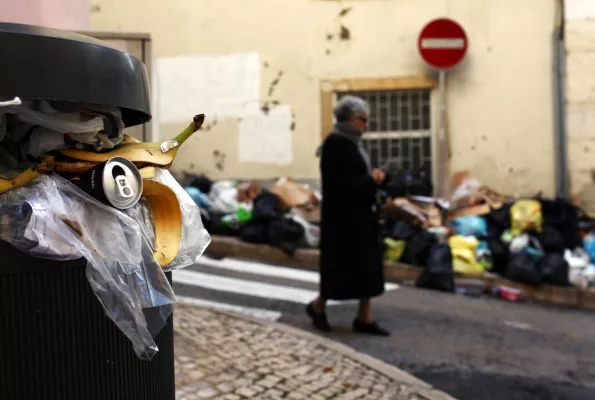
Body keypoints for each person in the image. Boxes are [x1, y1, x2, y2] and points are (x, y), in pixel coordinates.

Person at [306, 95, 390, 336]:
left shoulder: (353, 144)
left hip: (361, 216)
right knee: (340, 268)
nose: (366, 125)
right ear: (351, 120)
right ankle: (317, 306)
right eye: (363, 120)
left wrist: (374, 179)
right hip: (343, 220)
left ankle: (365, 317)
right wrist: (369, 180)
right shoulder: (335, 145)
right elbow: (340, 184)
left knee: (367, 267)